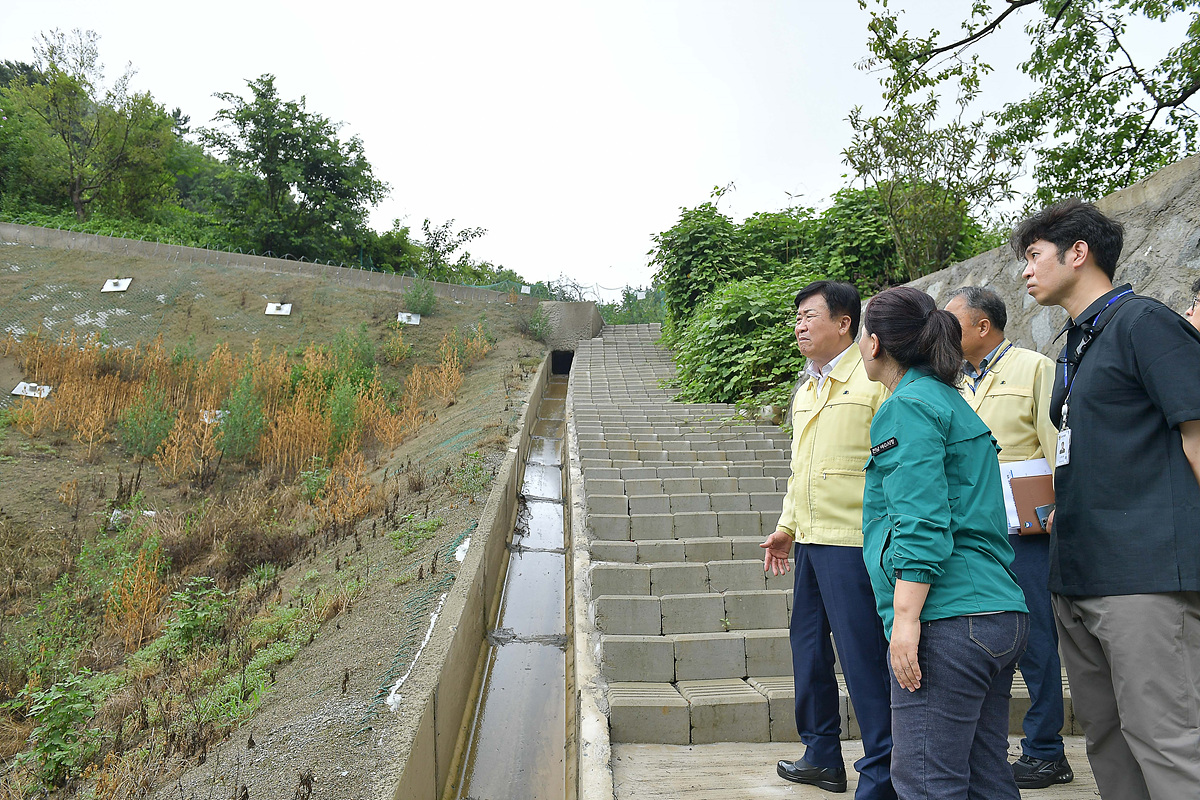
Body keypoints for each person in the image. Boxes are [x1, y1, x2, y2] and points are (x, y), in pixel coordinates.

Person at [1015, 198, 1200, 800]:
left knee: (1166, 739)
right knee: (1106, 740)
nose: (1025, 270)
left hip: (1144, 577)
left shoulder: (1144, 323)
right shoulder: (1075, 346)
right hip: (1078, 578)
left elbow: (1196, 432)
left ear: (1078, 253)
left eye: (1035, 256)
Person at [858, 285, 1029, 800]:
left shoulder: (907, 407)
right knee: (984, 779)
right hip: (997, 612)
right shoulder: (951, 400)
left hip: (947, 619)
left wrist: (906, 620)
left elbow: (921, 520)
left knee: (928, 783)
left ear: (873, 344)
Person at [761, 280, 895, 799]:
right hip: (812, 542)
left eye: (809, 315)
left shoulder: (873, 379)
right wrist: (786, 528)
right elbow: (803, 470)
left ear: (845, 323)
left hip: (855, 541)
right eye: (796, 317)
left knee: (862, 655)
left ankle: (882, 771)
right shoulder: (807, 389)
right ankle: (821, 755)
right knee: (808, 650)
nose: (799, 325)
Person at [944, 286, 1073, 789]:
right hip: (972, 536)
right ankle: (988, 751)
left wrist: (1057, 512)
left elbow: (1054, 439)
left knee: (1037, 640)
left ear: (983, 326)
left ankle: (1046, 750)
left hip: (1025, 533)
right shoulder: (950, 379)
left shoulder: (1033, 369)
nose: (944, 332)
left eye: (953, 322)